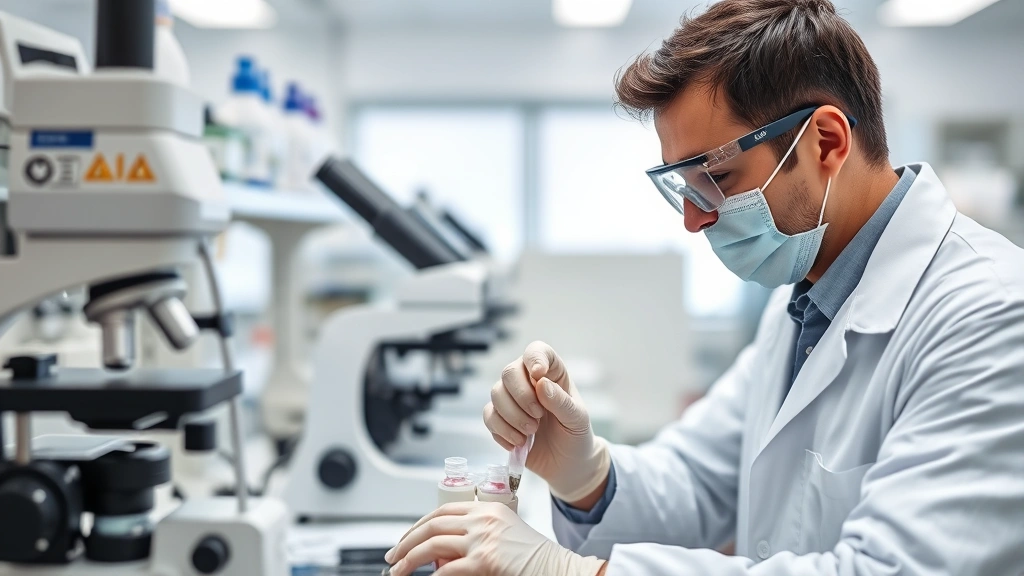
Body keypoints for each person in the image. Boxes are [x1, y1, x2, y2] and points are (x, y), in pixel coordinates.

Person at [384, 0, 1024, 574]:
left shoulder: (991, 315)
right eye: (683, 188)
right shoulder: (805, 301)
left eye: (716, 175)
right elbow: (698, 482)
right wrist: (586, 471)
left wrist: (580, 573)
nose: (694, 218)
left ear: (826, 141)